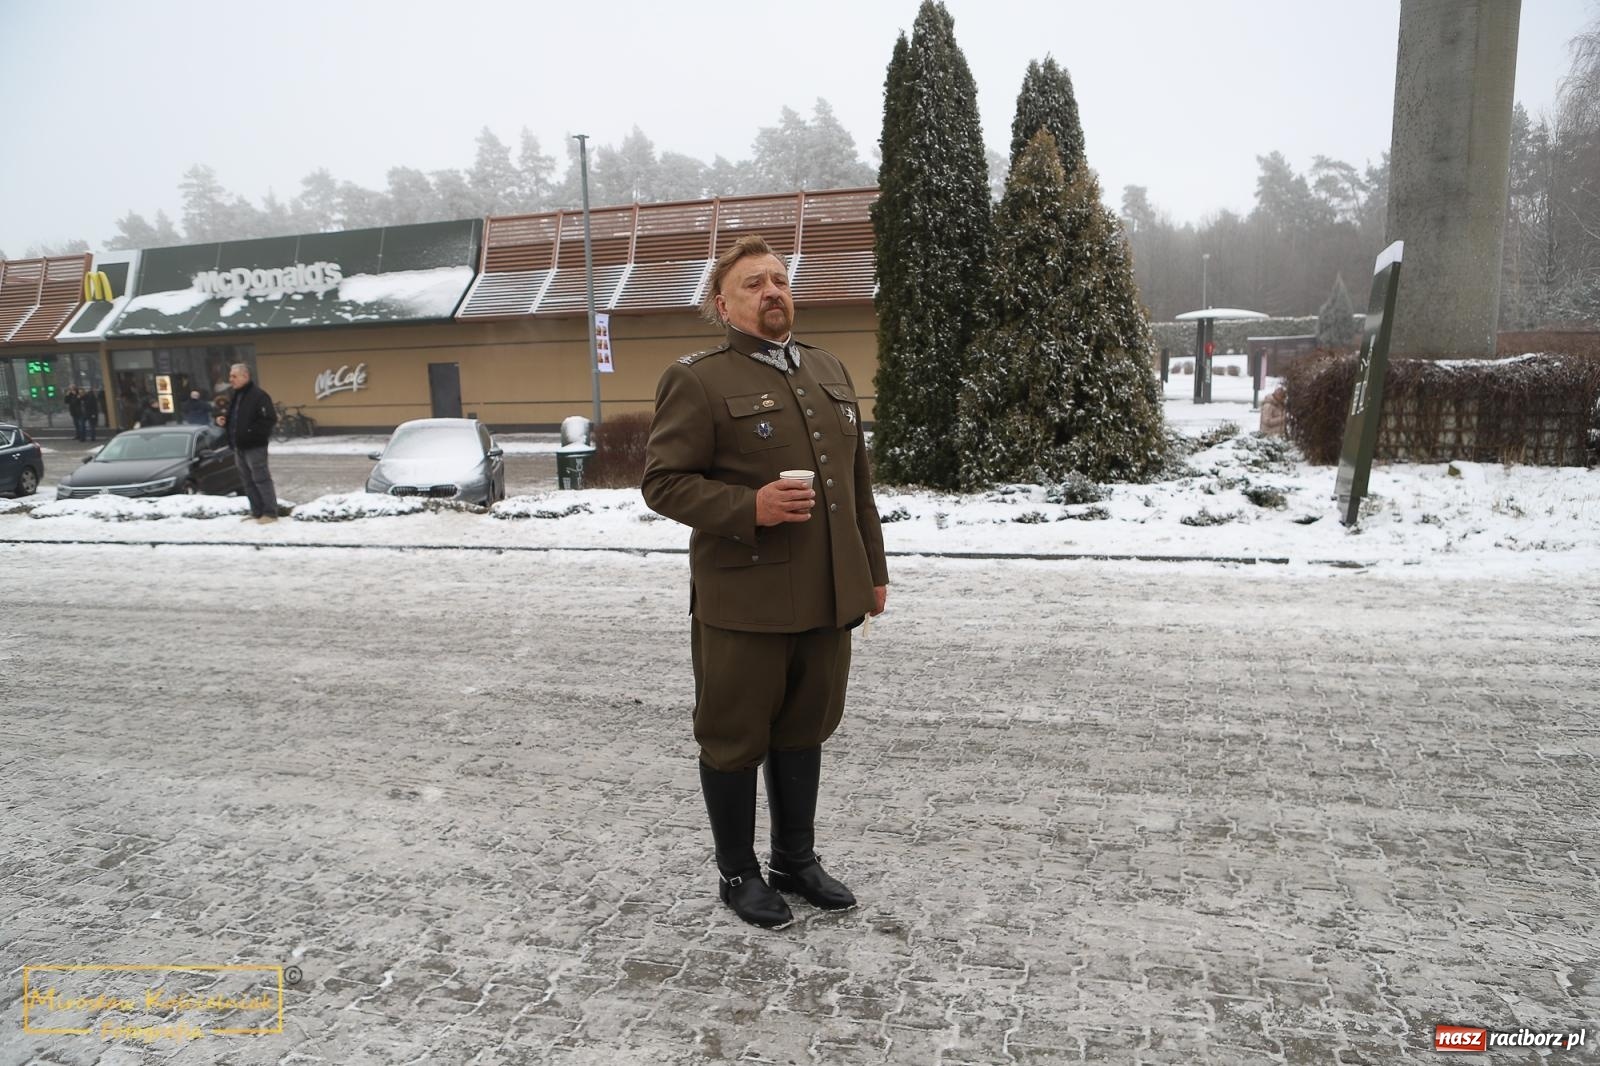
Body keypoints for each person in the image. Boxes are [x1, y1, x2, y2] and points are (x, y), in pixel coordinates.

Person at [641, 235, 888, 930]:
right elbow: (662, 483)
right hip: (743, 600)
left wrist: (873, 572)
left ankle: (795, 861)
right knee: (732, 737)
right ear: (723, 305)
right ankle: (738, 873)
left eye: (779, 279)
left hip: (827, 593)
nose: (772, 290)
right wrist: (747, 508)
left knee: (804, 730)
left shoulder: (828, 369)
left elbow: (857, 487)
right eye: (753, 283)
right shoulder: (698, 379)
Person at [216, 363, 279, 523]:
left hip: (255, 446)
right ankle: (257, 511)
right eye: (230, 376)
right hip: (239, 446)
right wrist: (226, 421)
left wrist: (251, 433)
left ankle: (270, 513)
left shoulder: (259, 396)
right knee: (247, 481)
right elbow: (238, 419)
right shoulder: (236, 396)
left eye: (234, 376)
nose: (231, 380)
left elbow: (269, 419)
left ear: (245, 376)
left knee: (261, 478)